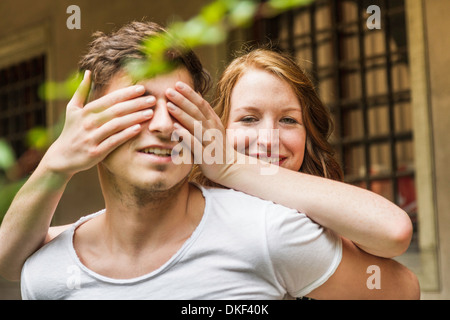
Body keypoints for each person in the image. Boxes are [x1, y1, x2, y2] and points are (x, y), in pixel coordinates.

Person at [0, 21, 419, 299]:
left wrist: (233, 166)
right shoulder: (51, 268)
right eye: (140, 106)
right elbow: (11, 260)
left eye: (289, 120)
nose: (163, 124)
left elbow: (395, 246)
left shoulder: (274, 232)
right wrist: (58, 161)